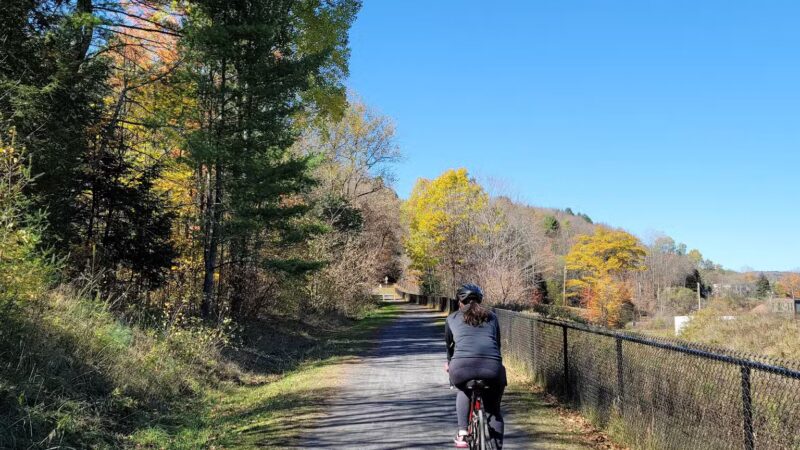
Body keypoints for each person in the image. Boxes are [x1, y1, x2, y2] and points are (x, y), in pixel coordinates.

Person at [445, 283, 506, 448]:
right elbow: (497, 345)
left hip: (461, 368)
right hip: (491, 367)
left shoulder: (451, 318)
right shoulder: (492, 317)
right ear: (480, 301)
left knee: (464, 389)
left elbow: (449, 348)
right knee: (493, 410)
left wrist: (450, 364)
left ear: (460, 302)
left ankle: (463, 431)